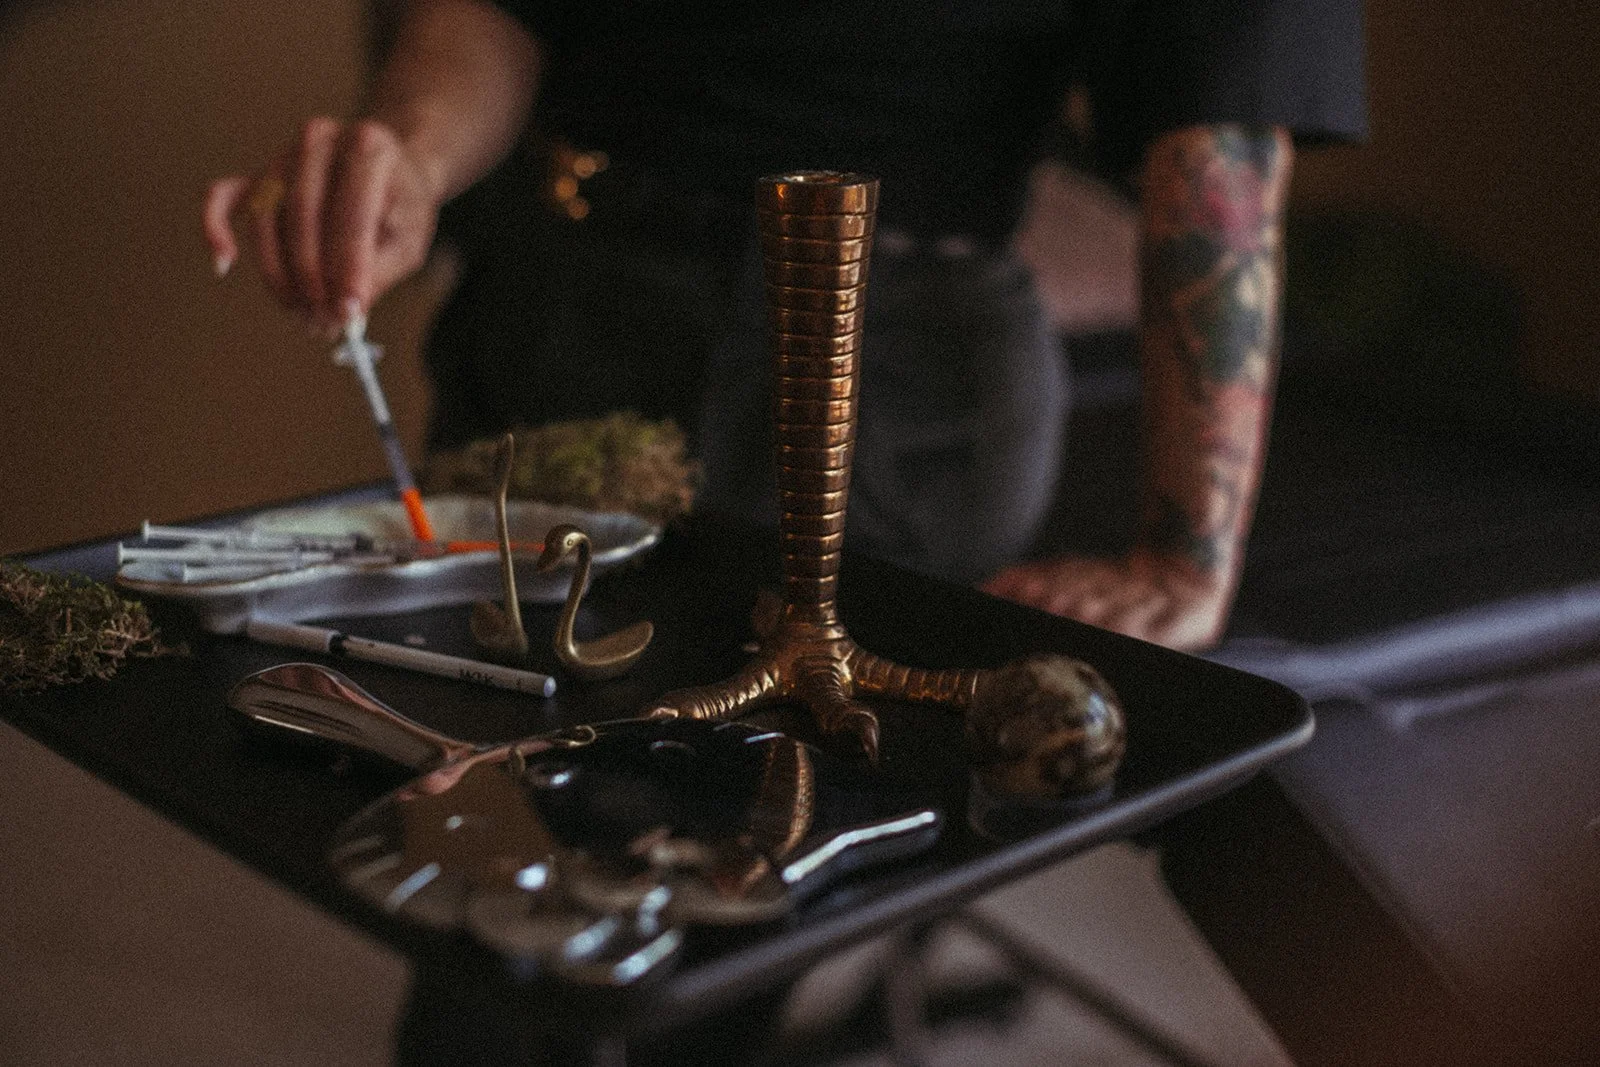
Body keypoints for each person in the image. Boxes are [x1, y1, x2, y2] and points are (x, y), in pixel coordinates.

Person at [203, 0, 1366, 652]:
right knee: (484, 781)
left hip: (888, 390)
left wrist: (1186, 551)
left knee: (763, 857)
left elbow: (1216, 125)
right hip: (558, 308)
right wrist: (411, 148)